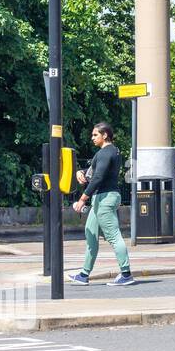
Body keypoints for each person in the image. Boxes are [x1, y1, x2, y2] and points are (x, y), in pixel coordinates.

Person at [68, 122, 136, 286]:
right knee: (90, 232)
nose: (92, 138)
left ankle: (126, 274)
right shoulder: (109, 152)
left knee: (113, 236)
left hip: (105, 198)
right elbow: (94, 172)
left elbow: (98, 177)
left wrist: (82, 199)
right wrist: (80, 172)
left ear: (105, 135)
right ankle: (84, 275)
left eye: (95, 135)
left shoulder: (106, 152)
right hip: (101, 198)